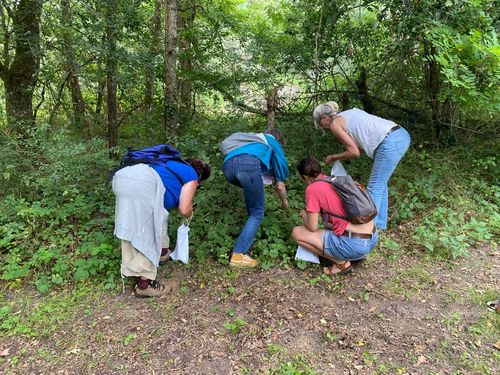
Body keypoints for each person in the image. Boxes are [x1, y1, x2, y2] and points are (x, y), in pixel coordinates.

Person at [112, 155, 210, 298]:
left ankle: (162, 253)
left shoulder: (168, 165)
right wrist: (190, 213)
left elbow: (163, 206)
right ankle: (145, 285)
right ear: (200, 176)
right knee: (148, 231)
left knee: (135, 226)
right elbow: (184, 209)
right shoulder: (191, 176)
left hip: (122, 177)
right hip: (143, 184)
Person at [312, 102, 411, 230]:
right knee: (381, 184)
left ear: (325, 117)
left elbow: (354, 152)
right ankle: (379, 225)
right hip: (400, 135)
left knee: (374, 187)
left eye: (321, 124)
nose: (323, 127)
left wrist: (333, 157)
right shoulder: (348, 113)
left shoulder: (335, 124)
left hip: (390, 141)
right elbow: (362, 144)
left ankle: (367, 230)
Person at [292, 157, 378, 275]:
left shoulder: (312, 189)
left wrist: (304, 216)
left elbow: (312, 227)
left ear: (305, 177)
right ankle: (354, 256)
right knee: (330, 227)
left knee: (297, 232)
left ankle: (341, 263)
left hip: (354, 245)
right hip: (372, 238)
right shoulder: (338, 180)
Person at [221, 129, 289, 267]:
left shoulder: (251, 140)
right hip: (248, 165)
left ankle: (244, 241)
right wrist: (285, 202)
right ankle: (238, 255)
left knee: (253, 206)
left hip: (228, 167)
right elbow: (280, 186)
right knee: (257, 212)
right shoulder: (273, 142)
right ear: (278, 140)